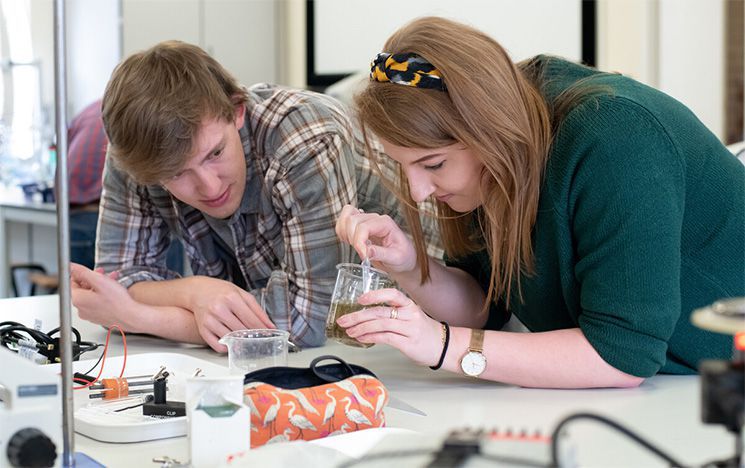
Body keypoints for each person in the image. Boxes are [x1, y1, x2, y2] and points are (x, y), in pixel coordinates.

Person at [334, 17, 745, 388]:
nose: (419, 191)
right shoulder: (497, 153)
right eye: (402, 165)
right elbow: (484, 307)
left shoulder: (615, 135)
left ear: (486, 131)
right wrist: (409, 268)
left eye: (433, 164)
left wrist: (441, 345)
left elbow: (621, 356)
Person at [71, 40, 440, 351]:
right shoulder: (140, 155)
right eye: (176, 174)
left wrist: (143, 316)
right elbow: (111, 283)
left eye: (214, 154)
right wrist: (195, 292)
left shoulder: (304, 135)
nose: (210, 187)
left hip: (417, 329)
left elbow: (311, 319)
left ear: (237, 111)